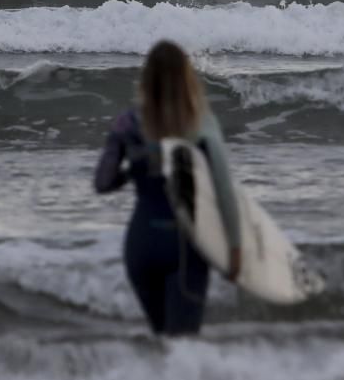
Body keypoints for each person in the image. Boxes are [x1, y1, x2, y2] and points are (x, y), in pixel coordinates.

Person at [94, 40, 241, 336]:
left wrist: (134, 172)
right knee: (182, 345)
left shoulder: (127, 123)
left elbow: (103, 182)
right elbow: (224, 189)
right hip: (184, 246)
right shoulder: (201, 123)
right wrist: (235, 248)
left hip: (141, 245)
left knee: (161, 340)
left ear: (147, 78)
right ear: (186, 77)